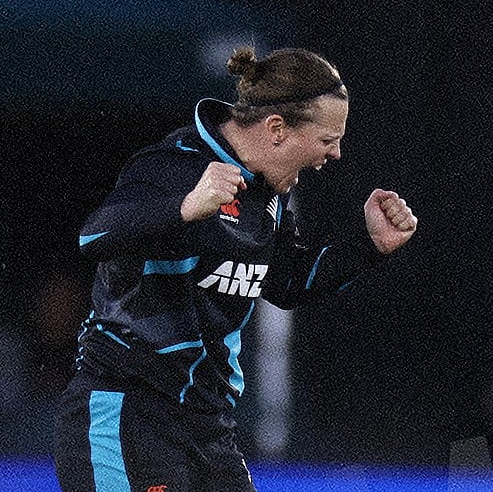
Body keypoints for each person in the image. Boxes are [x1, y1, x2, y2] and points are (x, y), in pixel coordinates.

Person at [54, 46, 418, 491]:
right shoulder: (177, 163)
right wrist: (186, 207)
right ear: (277, 128)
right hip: (128, 413)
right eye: (327, 139)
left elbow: (285, 284)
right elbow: (94, 237)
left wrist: (368, 246)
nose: (336, 153)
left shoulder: (268, 194)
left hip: (210, 429)